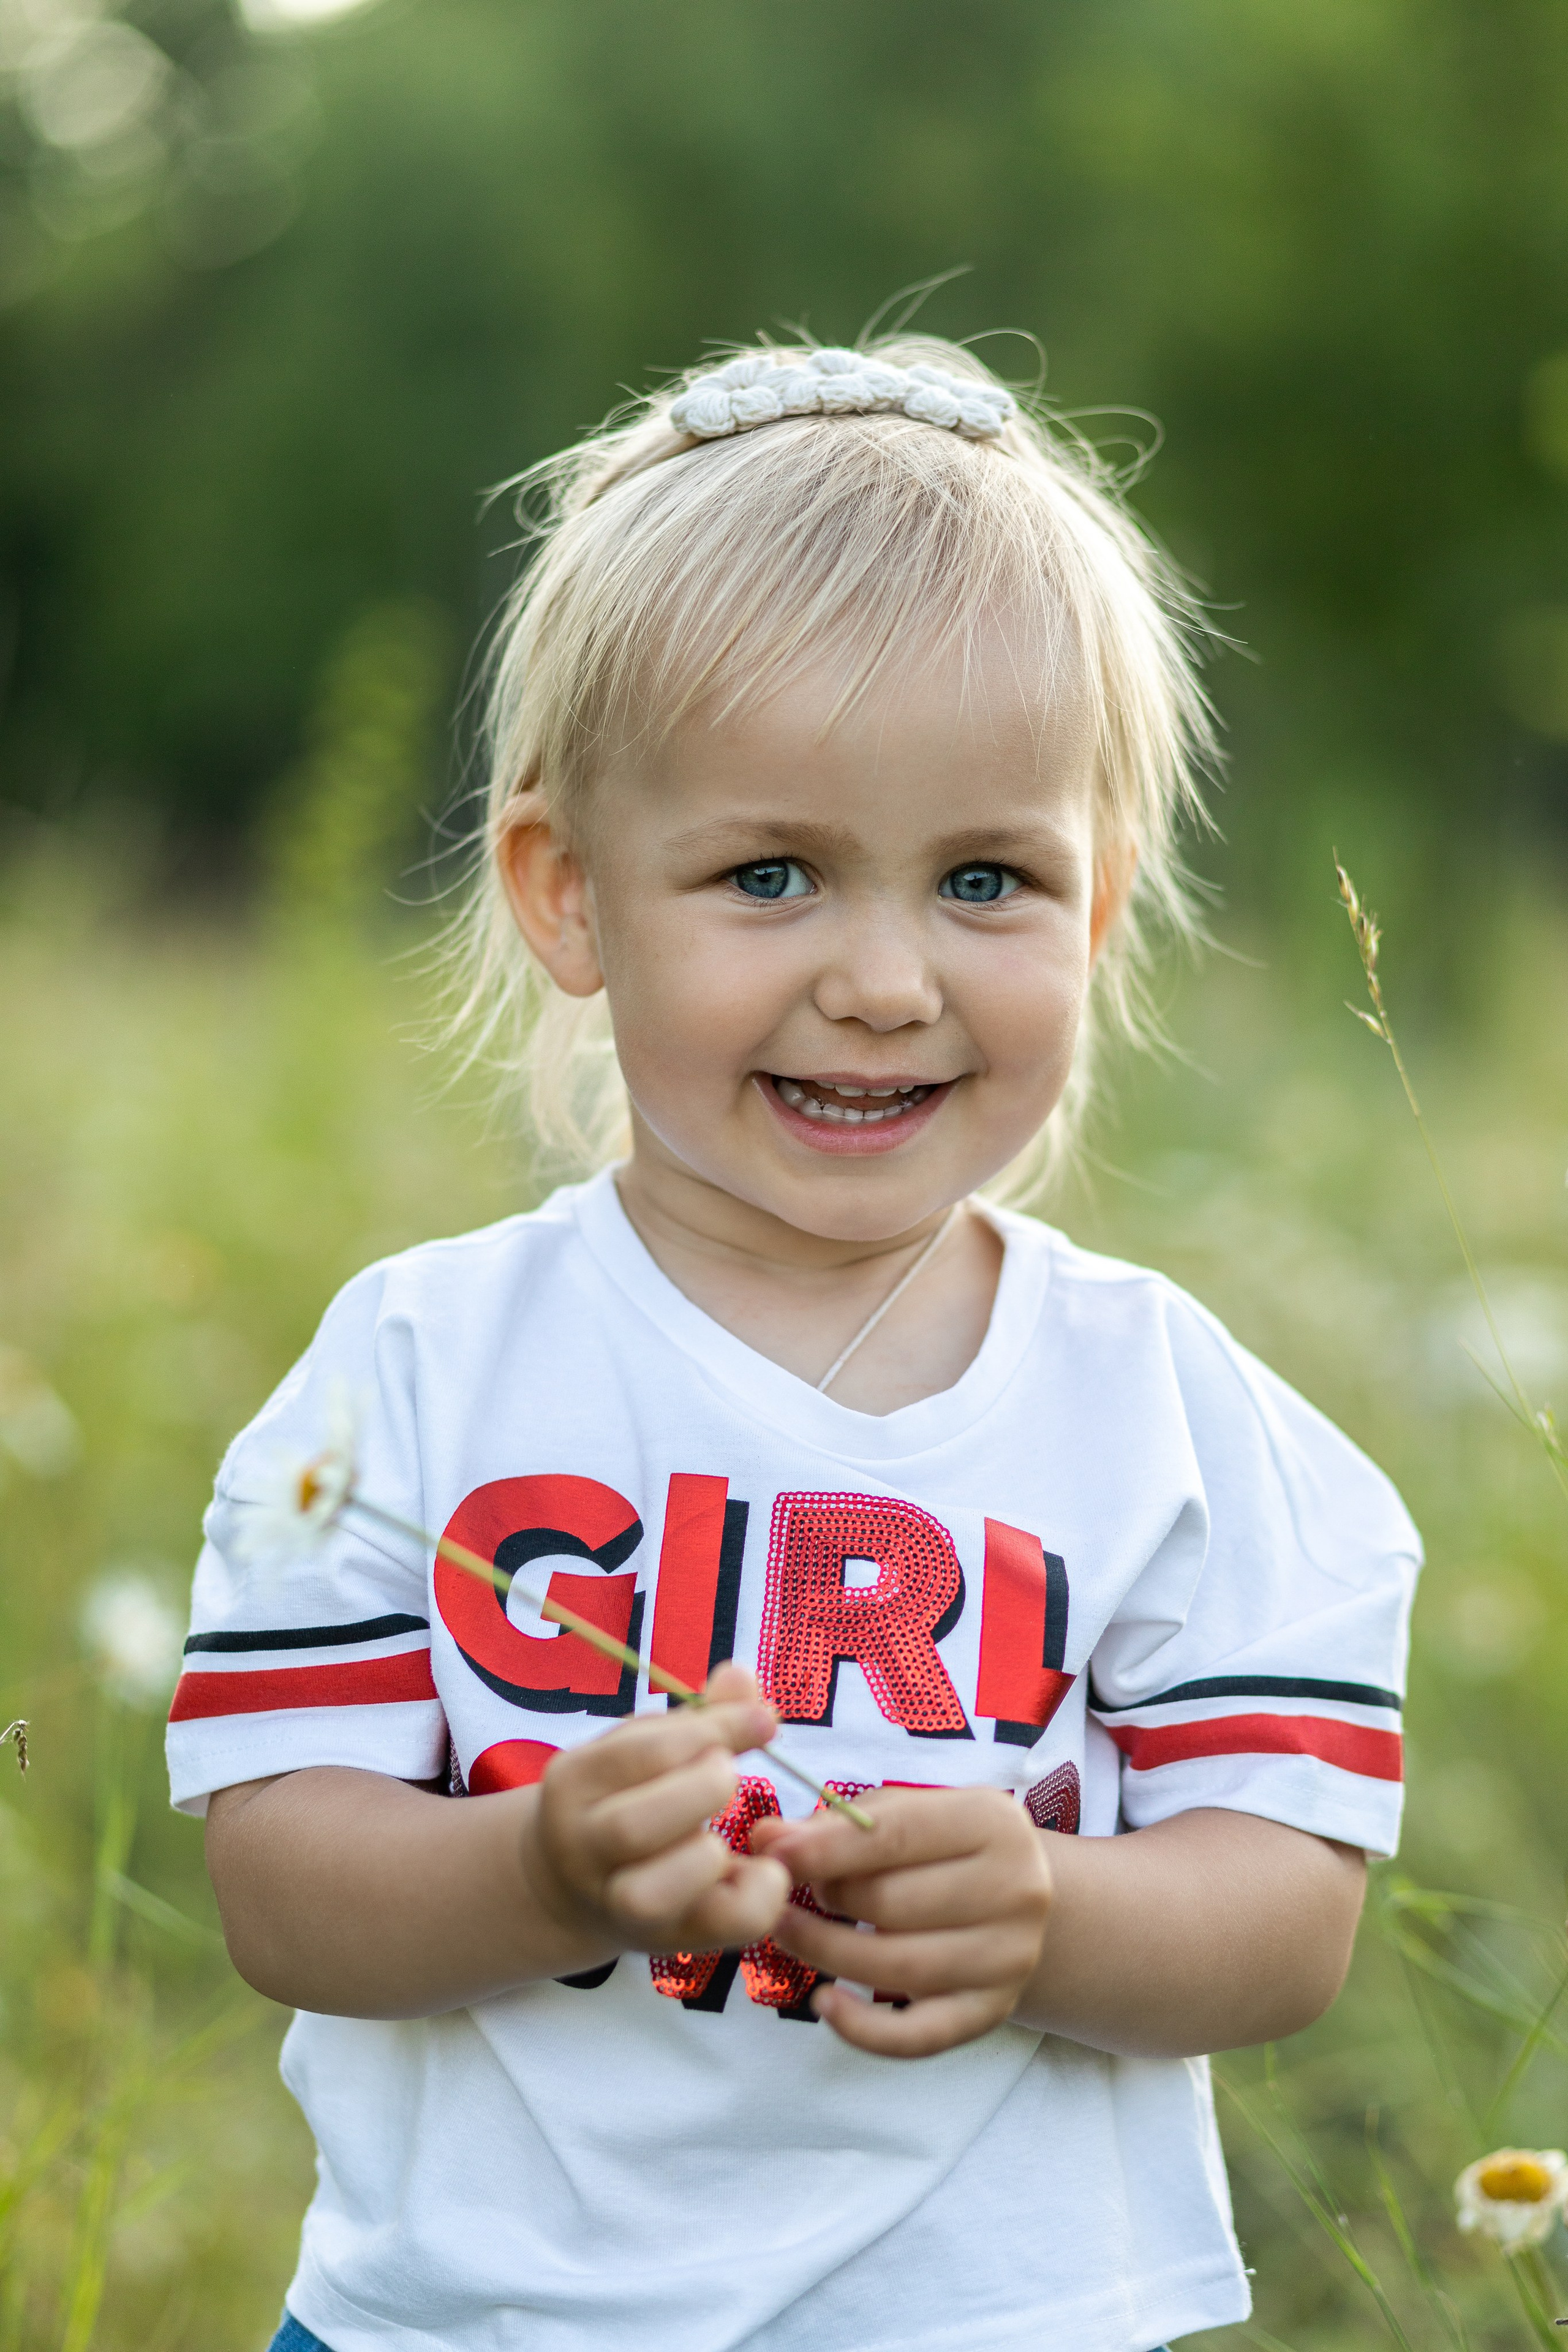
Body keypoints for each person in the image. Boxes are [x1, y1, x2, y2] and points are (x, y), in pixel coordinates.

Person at [168, 331, 1420, 2352]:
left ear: (1094, 917)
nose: (885, 978)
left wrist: (1053, 1916)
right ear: (572, 898)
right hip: (478, 2323)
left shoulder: (1158, 1406)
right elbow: (282, 1888)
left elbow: (1286, 1920)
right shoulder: (425, 1365)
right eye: (771, 874)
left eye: (987, 880)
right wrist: (545, 1875)